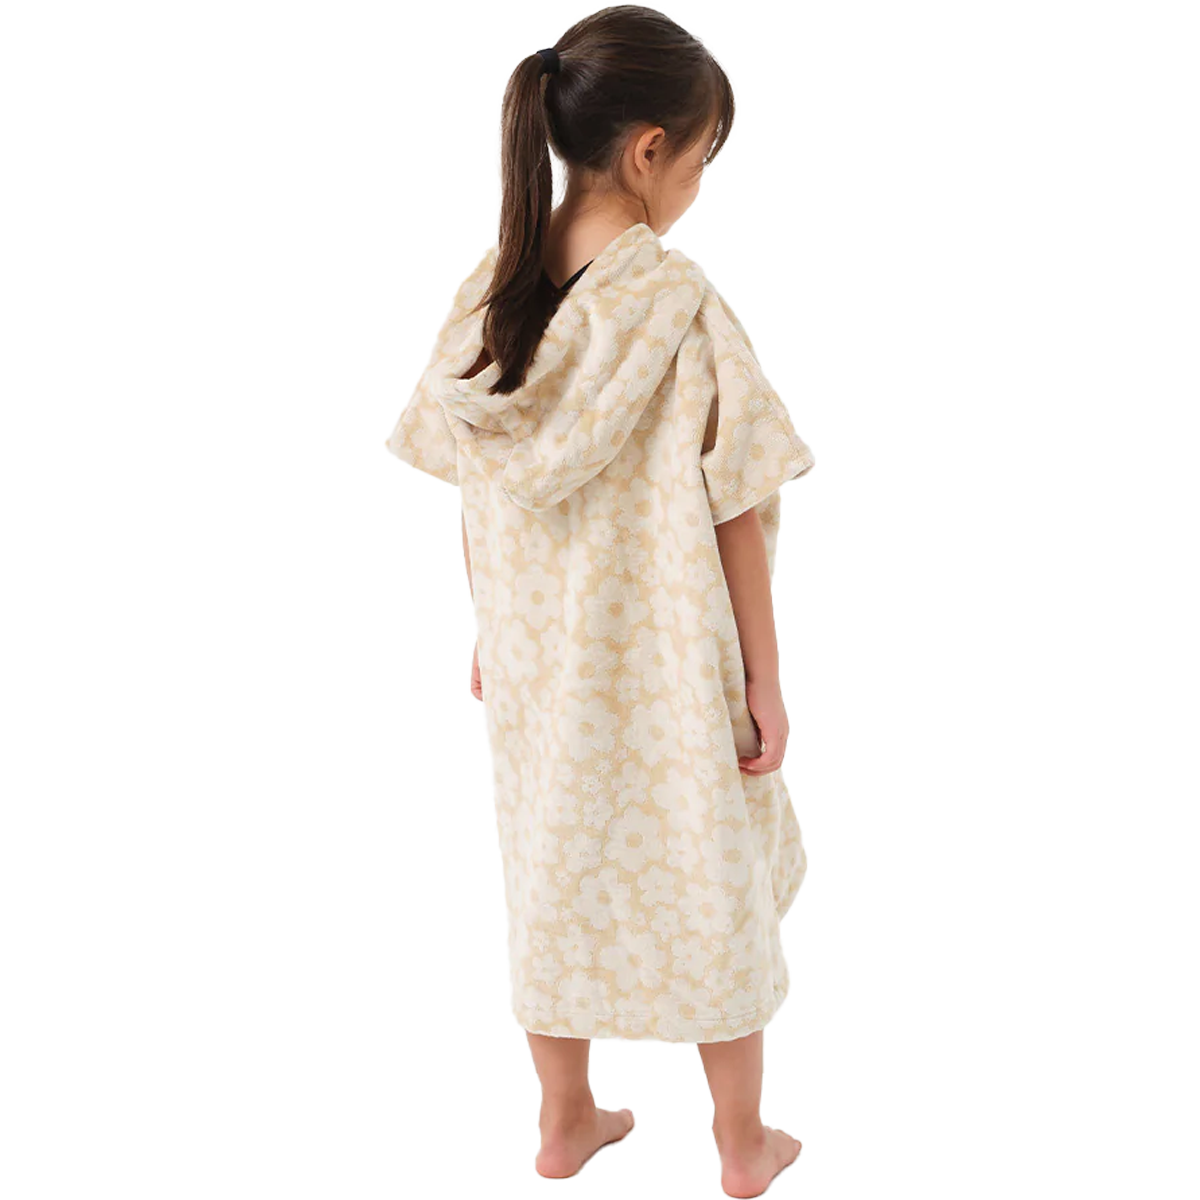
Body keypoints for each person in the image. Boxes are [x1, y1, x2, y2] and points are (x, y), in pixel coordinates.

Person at [384, 7, 814, 1197]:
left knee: (550, 869)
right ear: (648, 149)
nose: (697, 189)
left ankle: (565, 1119)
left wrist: (491, 621)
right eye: (701, 161)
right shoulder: (676, 305)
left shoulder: (487, 298)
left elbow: (474, 486)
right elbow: (736, 503)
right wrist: (765, 677)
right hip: (672, 660)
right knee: (712, 873)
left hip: (538, 662)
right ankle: (741, 1144)